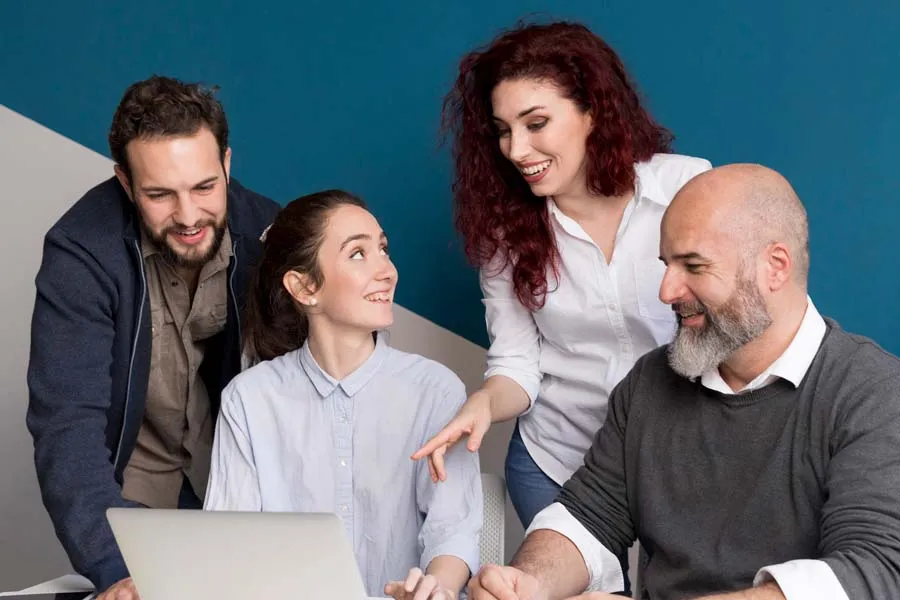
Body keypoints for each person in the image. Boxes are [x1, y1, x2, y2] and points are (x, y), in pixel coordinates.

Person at [467, 164, 900, 600]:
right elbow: (589, 516)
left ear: (775, 267)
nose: (667, 291)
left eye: (693, 265)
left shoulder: (874, 392)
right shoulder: (649, 383)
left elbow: (875, 572)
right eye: (666, 265)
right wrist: (528, 582)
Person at [414, 19, 712, 531]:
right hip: (558, 464)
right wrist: (483, 403)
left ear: (592, 111)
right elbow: (516, 364)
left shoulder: (688, 188)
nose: (515, 150)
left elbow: (735, 325)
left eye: (536, 123)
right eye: (503, 130)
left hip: (683, 460)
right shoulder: (504, 236)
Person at [26, 75, 280, 599]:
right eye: (160, 194)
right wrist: (116, 566)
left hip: (241, 492)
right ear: (125, 182)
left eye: (205, 187)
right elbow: (67, 426)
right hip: (133, 497)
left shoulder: (270, 236)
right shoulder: (81, 251)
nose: (188, 217)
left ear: (227, 163)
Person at [204, 190, 482, 600]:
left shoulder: (436, 391)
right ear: (304, 287)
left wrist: (435, 588)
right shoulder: (248, 401)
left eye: (383, 249)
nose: (387, 271)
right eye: (358, 254)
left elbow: (453, 530)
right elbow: (228, 548)